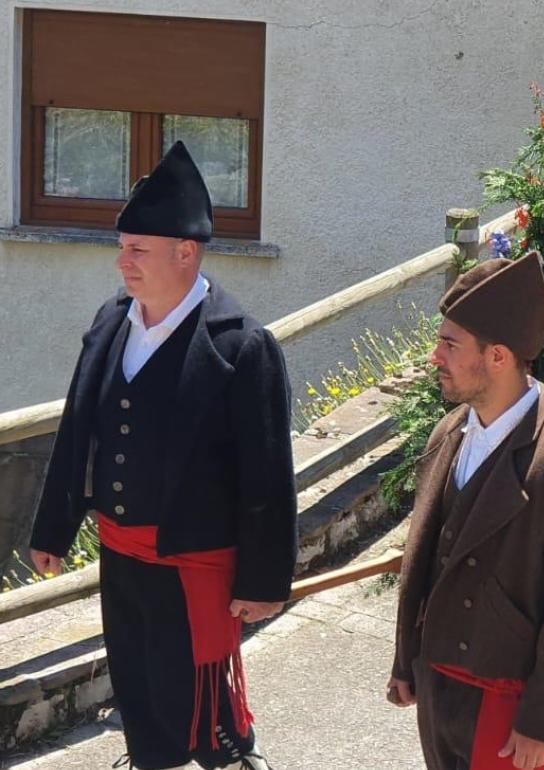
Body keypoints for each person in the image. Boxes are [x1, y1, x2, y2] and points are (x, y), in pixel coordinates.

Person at [28, 142, 296, 770]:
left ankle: (234, 760)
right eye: (122, 247)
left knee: (199, 705)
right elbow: (76, 431)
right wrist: (54, 528)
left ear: (185, 252)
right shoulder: (112, 320)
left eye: (137, 250)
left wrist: (264, 581)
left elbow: (267, 475)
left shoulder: (242, 345)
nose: (122, 263)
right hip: (121, 555)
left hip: (194, 561)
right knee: (139, 690)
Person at [388, 251, 544, 770]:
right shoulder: (448, 433)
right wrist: (407, 659)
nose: (435, 356)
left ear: (497, 357)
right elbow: (422, 559)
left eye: (450, 344)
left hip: (508, 704)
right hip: (438, 684)